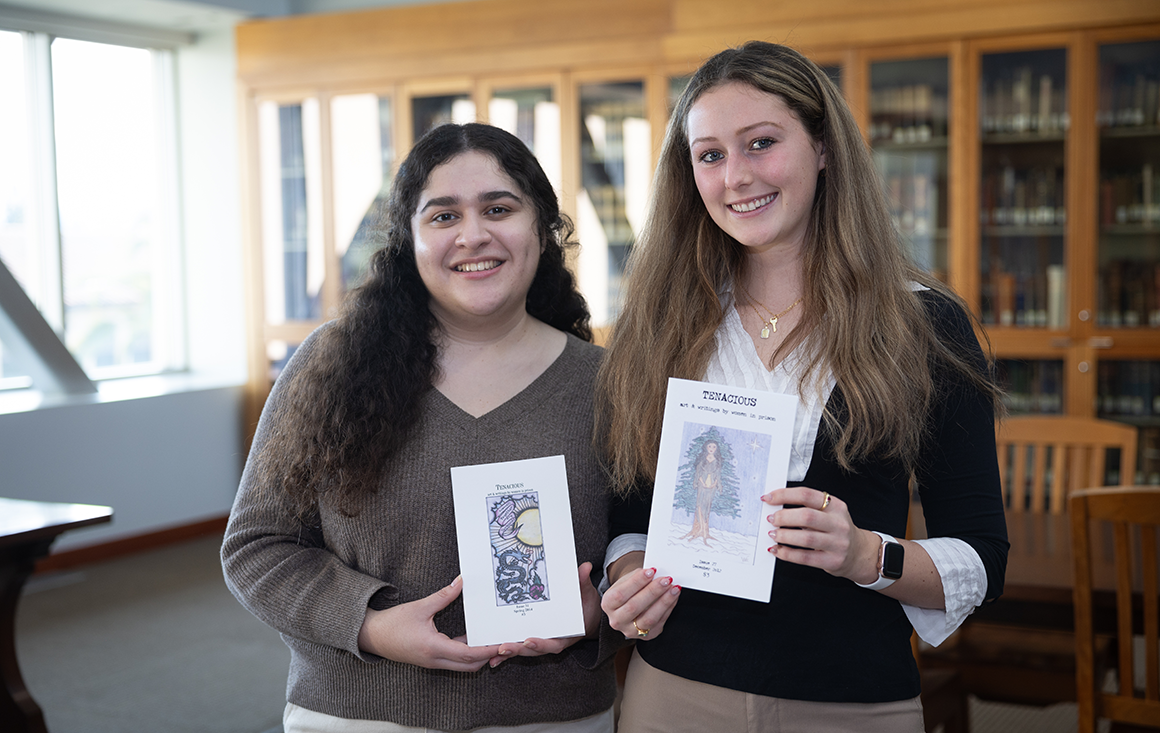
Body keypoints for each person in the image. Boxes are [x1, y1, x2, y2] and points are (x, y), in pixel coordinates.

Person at [595, 41, 1008, 732]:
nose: (736, 176)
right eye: (711, 155)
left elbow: (981, 559)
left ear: (822, 147)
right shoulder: (663, 325)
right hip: (673, 691)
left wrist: (866, 555)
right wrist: (629, 572)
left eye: (761, 143)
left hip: (854, 703)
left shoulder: (924, 325)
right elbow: (628, 513)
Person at [222, 123, 621, 733]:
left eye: (498, 208)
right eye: (442, 216)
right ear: (407, 240)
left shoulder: (610, 382)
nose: (473, 234)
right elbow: (257, 548)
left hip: (557, 715)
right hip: (361, 715)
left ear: (541, 228)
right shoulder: (331, 366)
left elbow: (647, 544)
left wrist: (601, 612)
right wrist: (371, 624)